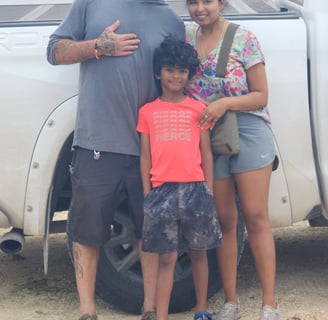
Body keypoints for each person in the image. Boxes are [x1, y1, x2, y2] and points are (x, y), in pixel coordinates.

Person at [46, 1, 185, 320]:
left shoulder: (170, 20)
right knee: (87, 231)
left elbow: (180, 75)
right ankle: (87, 311)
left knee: (149, 232)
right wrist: (98, 46)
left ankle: (150, 309)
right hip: (97, 142)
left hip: (151, 149)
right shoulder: (90, 4)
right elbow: (54, 51)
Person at [184, 1, 281, 320]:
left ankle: (269, 304)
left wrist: (225, 103)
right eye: (192, 2)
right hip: (209, 136)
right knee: (225, 221)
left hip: (249, 128)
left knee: (255, 216)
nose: (200, 8)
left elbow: (261, 94)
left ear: (221, 3)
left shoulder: (244, 38)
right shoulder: (187, 40)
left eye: (207, 1)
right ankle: (231, 302)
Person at [136, 36, 222, 320]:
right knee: (167, 257)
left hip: (196, 189)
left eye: (182, 70)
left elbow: (206, 153)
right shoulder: (147, 112)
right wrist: (148, 192)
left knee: (199, 252)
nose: (176, 76)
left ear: (189, 74)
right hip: (161, 192)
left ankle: (201, 309)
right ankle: (161, 315)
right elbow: (145, 156)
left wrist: (207, 189)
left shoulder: (199, 109)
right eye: (170, 69)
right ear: (158, 72)